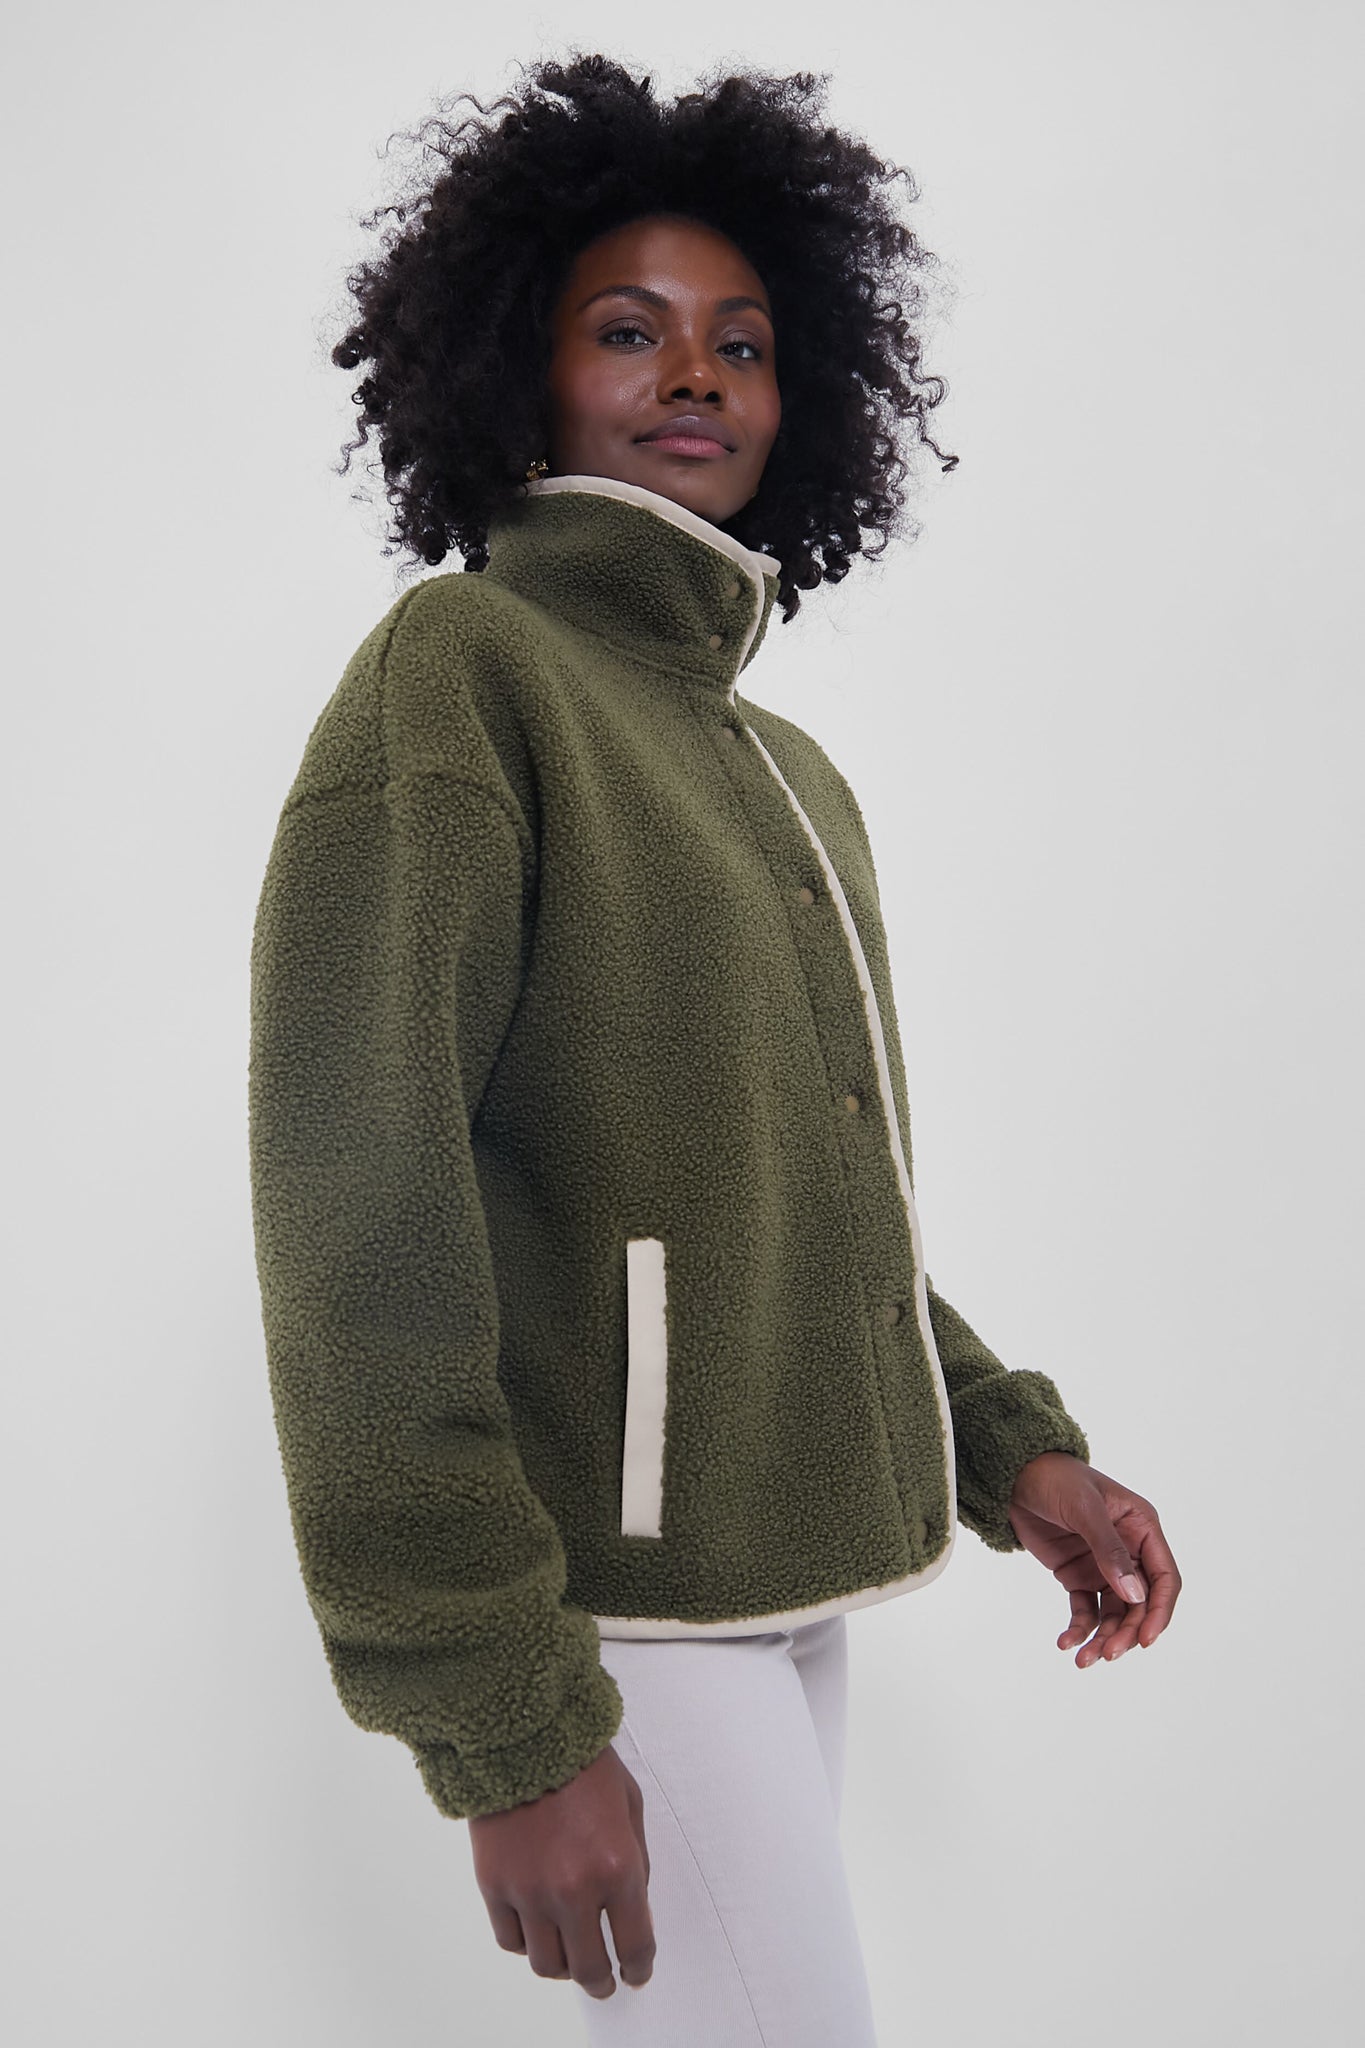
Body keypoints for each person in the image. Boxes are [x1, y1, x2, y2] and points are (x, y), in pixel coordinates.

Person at [247, 53, 1182, 2047]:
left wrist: (1005, 1447)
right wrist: (502, 1718)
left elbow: (809, 1197)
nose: (692, 373)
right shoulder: (462, 675)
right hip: (614, 1609)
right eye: (627, 330)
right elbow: (359, 1217)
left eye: (739, 344)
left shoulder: (782, 770)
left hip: (786, 1580)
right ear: (515, 361)